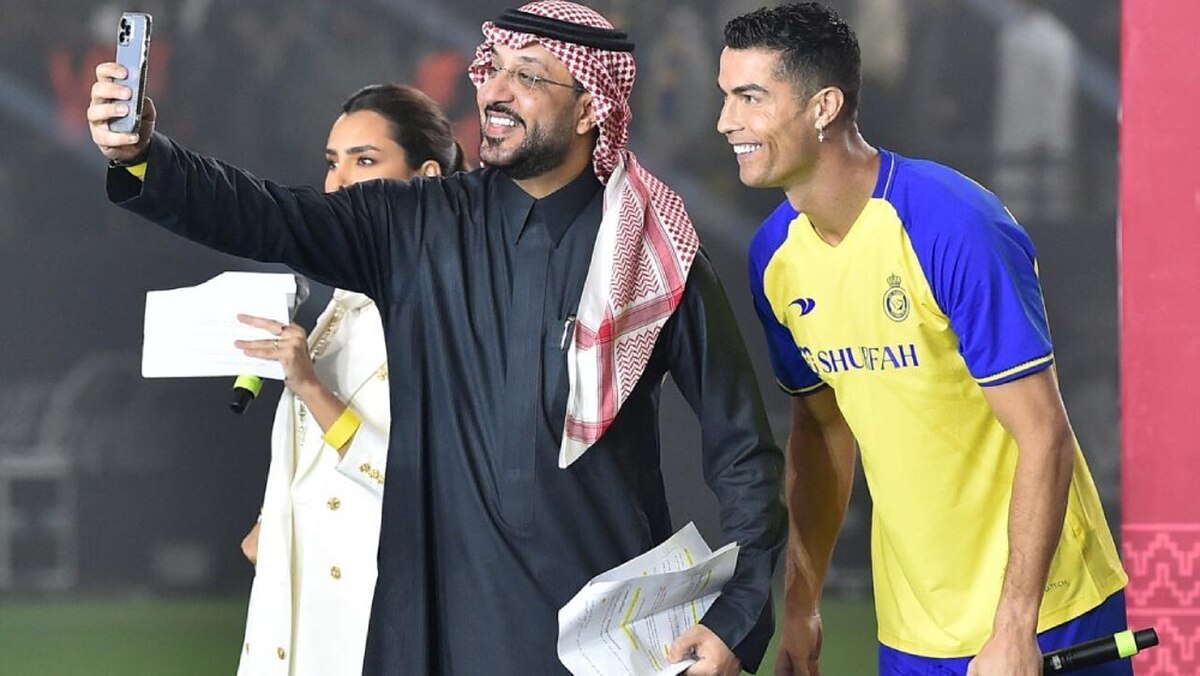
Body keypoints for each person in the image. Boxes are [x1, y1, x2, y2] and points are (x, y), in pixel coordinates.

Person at [87, 2, 785, 674]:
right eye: (493, 67)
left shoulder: (651, 256)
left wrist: (737, 617)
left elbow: (742, 453)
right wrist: (146, 155)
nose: (497, 91)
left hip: (603, 644)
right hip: (436, 633)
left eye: (529, 74)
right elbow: (263, 214)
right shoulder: (414, 225)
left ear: (589, 108)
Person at [716, 4, 1127, 675]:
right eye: (726, 96)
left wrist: (1015, 625)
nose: (726, 121)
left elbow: (1044, 435)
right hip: (913, 633)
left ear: (823, 107)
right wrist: (801, 604)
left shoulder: (954, 224)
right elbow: (821, 432)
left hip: (1048, 613)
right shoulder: (774, 255)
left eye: (750, 97)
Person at [234, 83, 466, 675]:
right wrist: (273, 517)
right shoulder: (344, 299)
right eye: (332, 162)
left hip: (369, 602)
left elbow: (411, 476)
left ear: (427, 178)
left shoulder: (444, 308)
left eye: (364, 161)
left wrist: (311, 387)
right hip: (300, 590)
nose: (337, 184)